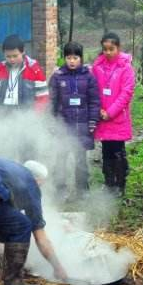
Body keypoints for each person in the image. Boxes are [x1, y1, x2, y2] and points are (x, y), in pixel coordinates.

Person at [49, 41, 100, 201]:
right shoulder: (57, 77)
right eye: (68, 57)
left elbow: (94, 101)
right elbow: (51, 102)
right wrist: (52, 122)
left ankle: (82, 190)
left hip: (82, 125)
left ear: (81, 58)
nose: (72, 61)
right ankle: (60, 189)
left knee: (81, 159)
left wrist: (92, 120)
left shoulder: (89, 76)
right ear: (64, 58)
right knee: (61, 158)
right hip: (63, 125)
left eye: (75, 57)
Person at [92, 32, 135, 197]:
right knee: (106, 151)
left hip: (117, 117)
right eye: (105, 49)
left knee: (118, 152)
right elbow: (93, 89)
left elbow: (126, 93)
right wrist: (99, 110)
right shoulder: (97, 66)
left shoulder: (126, 68)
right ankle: (109, 182)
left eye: (111, 49)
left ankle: (120, 184)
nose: (108, 52)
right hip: (102, 117)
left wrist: (110, 112)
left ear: (118, 48)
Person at [0, 34, 49, 114]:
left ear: (23, 52)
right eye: (8, 56)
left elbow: (42, 96)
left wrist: (35, 117)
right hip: (2, 115)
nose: (12, 59)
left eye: (15, 56)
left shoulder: (34, 69)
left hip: (26, 116)